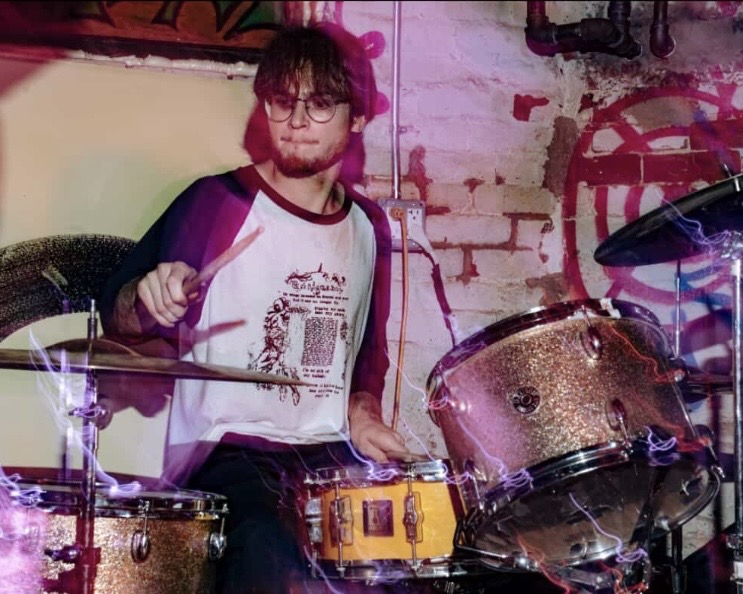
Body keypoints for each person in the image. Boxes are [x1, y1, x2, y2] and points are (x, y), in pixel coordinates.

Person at [99, 22, 410, 594]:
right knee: (269, 553)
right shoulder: (218, 201)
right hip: (229, 454)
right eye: (282, 101)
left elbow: (366, 358)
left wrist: (364, 413)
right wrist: (147, 296)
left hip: (327, 456)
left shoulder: (370, 226)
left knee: (411, 558)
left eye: (320, 104)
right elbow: (117, 314)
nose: (296, 120)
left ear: (359, 117)